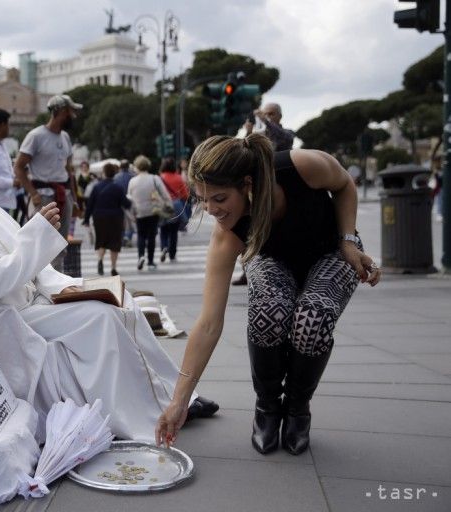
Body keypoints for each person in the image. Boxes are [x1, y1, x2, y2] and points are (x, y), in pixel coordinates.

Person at [0, 133, 218, 442]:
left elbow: (35, 267)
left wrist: (75, 286)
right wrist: (39, 239)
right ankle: (139, 416)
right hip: (2, 319)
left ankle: (176, 396)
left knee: (122, 302)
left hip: (31, 303)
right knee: (100, 319)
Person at [155, 134, 381, 455]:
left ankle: (298, 408)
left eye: (219, 198)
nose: (211, 209)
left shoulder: (300, 166)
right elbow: (207, 323)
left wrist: (347, 239)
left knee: (312, 318)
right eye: (203, 199)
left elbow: (344, 184)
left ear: (247, 183)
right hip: (272, 258)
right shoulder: (228, 233)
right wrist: (179, 402)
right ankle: (267, 406)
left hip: (332, 251)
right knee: (269, 314)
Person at [15, 94, 82, 271]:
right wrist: (33, 193)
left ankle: (57, 283)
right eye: (70, 112)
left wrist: (74, 199)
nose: (73, 116)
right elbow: (19, 167)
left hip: (63, 194)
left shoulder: (65, 137)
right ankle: (37, 282)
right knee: (41, 242)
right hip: (43, 196)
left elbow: (69, 171)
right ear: (60, 111)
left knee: (61, 243)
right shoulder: (36, 136)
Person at [234, 102, 296, 286]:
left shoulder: (286, 134)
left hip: (282, 190)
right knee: (249, 232)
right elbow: (242, 152)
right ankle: (248, 272)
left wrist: (265, 121)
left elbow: (283, 138)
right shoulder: (258, 136)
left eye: (271, 114)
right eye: (265, 114)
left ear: (279, 115)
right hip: (259, 191)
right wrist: (248, 132)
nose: (267, 117)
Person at [83, 162, 131, 276]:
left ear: (103, 173)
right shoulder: (118, 187)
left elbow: (90, 205)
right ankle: (113, 268)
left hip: (99, 217)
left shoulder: (96, 187)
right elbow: (126, 204)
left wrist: (86, 219)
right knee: (114, 243)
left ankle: (100, 260)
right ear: (114, 173)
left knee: (101, 241)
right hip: (115, 217)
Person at [127, 155, 172, 271]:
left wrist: (131, 214)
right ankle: (151, 261)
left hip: (139, 212)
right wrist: (168, 204)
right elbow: (164, 193)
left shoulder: (132, 181)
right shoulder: (154, 178)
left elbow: (129, 198)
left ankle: (141, 256)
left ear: (137, 167)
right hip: (153, 210)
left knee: (141, 235)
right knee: (152, 236)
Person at [159, 157, 190, 262]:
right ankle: (172, 253)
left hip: (163, 206)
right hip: (175, 207)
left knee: (163, 229)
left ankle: (164, 247)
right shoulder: (178, 178)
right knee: (173, 231)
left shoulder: (160, 178)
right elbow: (185, 195)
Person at [114, 159, 136, 247]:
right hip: (130, 201)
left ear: (120, 167)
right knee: (130, 222)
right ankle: (128, 237)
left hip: (118, 202)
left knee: (120, 222)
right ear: (128, 166)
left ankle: (122, 238)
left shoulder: (115, 177)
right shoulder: (133, 176)